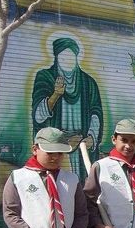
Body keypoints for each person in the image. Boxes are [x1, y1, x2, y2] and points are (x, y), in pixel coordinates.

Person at [32, 37, 103, 181]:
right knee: (55, 183)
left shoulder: (88, 82)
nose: (67, 61)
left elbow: (96, 113)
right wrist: (56, 95)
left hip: (81, 144)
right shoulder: (45, 77)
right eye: (63, 57)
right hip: (56, 147)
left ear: (77, 58)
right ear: (56, 58)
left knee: (82, 184)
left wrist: (91, 138)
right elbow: (38, 116)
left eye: (71, 57)